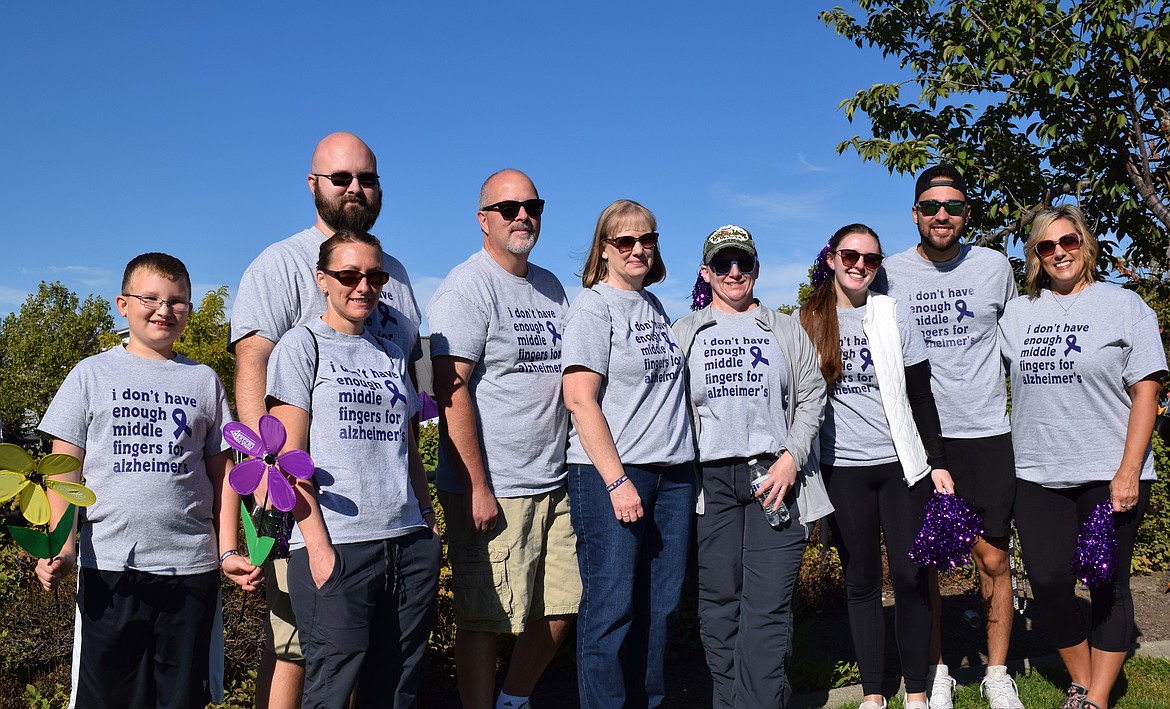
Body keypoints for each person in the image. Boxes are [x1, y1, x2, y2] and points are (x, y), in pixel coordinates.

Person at [229, 131, 421, 709]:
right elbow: (253, 366)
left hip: (391, 516)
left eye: (366, 178)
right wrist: (268, 476)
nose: (355, 188)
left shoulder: (397, 271)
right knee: (298, 648)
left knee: (371, 658)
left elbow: (412, 382)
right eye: (341, 178)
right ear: (314, 184)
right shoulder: (281, 263)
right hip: (302, 494)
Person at [36, 252, 260, 708]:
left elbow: (225, 474)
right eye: (150, 298)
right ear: (122, 304)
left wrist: (229, 551)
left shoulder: (204, 381)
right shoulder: (89, 375)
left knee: (181, 699)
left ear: (190, 311)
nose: (164, 310)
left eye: (177, 301)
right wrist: (62, 546)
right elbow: (63, 471)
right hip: (110, 569)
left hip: (190, 569)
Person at [999, 205, 1166, 709]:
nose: (1059, 253)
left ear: (1086, 245)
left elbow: (1147, 390)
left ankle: (1094, 698)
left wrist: (1129, 471)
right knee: (1049, 582)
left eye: (1068, 241)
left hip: (1109, 473)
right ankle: (1081, 675)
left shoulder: (1125, 305)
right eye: (1046, 247)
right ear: (1035, 257)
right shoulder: (1018, 314)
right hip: (1037, 473)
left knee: (1106, 583)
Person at [266, 231, 440, 709]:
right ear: (323, 280)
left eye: (375, 276)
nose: (363, 286)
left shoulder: (391, 352)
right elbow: (286, 459)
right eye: (348, 275)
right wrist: (318, 548)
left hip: (407, 542)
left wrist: (426, 521)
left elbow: (406, 443)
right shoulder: (300, 347)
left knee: (396, 687)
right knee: (332, 688)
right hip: (337, 545)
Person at [427, 169, 577, 709]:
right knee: (484, 617)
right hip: (492, 485)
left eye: (532, 206)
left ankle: (513, 700)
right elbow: (450, 388)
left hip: (556, 480)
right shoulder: (466, 286)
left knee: (564, 605)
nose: (523, 216)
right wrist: (477, 486)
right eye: (509, 207)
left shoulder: (551, 286)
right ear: (483, 219)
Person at [876, 164, 1023, 709]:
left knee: (992, 558)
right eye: (932, 206)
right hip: (915, 438)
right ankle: (935, 670)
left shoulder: (993, 267)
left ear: (967, 213)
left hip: (985, 430)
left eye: (954, 207)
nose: (943, 215)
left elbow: (1021, 346)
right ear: (915, 213)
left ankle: (998, 672)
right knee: (925, 564)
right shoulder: (887, 273)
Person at [674, 225, 832, 708]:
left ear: (757, 269)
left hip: (775, 479)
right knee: (718, 607)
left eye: (743, 262)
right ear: (707, 271)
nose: (735, 272)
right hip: (711, 485)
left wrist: (791, 458)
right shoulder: (685, 332)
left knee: (766, 607)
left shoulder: (785, 328)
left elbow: (811, 396)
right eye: (723, 263)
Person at [799, 224, 954, 709]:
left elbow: (921, 395)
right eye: (850, 255)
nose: (859, 265)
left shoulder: (893, 315)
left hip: (900, 466)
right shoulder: (807, 320)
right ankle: (872, 693)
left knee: (910, 578)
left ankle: (916, 692)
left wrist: (938, 463)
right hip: (841, 468)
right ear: (831, 258)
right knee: (861, 579)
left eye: (870, 259)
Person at [561, 199, 695, 709]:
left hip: (672, 475)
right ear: (605, 248)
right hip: (615, 474)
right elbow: (579, 397)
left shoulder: (655, 307)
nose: (638, 249)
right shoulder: (594, 306)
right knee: (611, 609)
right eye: (625, 241)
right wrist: (618, 482)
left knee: (660, 609)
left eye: (647, 239)